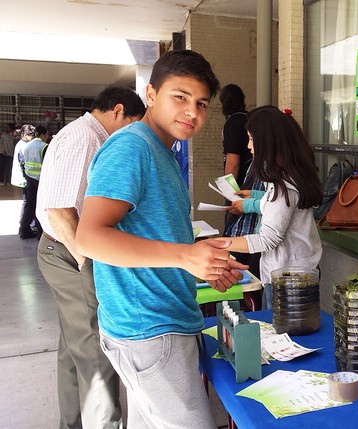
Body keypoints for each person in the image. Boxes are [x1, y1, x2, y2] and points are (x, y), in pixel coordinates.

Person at [75, 50, 247, 429]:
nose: (192, 112)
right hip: (149, 328)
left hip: (158, 320)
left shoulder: (164, 151)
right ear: (151, 94)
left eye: (201, 104)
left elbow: (152, 233)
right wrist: (186, 257)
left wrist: (202, 264)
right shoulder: (132, 147)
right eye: (180, 97)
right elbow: (88, 236)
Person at [35, 86, 146, 429]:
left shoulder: (79, 134)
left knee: (73, 350)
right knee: (97, 355)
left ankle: (72, 423)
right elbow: (59, 210)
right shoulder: (85, 139)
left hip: (60, 250)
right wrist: (86, 261)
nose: (133, 133)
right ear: (117, 112)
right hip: (70, 253)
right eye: (133, 124)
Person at [218, 106, 323, 308]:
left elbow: (268, 239)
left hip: (288, 280)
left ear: (267, 142)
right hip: (298, 273)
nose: (248, 146)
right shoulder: (291, 175)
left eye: (251, 139)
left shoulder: (282, 185)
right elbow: (281, 206)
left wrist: (222, 244)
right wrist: (257, 196)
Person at [221, 84, 250, 232]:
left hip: (239, 186)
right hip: (253, 182)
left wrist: (227, 191)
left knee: (233, 228)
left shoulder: (232, 123)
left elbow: (233, 162)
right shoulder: (249, 118)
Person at [20, 124, 48, 236]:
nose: (46, 137)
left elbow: (24, 162)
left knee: (29, 205)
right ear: (42, 135)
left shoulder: (27, 146)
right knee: (40, 206)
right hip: (40, 180)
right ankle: (40, 232)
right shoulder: (44, 146)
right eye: (46, 135)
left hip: (29, 178)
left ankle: (24, 229)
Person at [12, 124, 38, 238]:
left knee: (27, 203)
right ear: (24, 135)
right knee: (28, 204)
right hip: (25, 179)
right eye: (30, 135)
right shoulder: (24, 146)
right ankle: (24, 228)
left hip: (24, 179)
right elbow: (23, 164)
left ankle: (25, 226)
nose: (32, 137)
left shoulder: (22, 144)